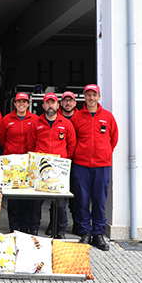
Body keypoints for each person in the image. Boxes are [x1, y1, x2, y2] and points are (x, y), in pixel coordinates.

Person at [71, 84, 119, 251]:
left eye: (94, 95)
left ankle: (98, 234)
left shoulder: (108, 117)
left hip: (102, 166)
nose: (91, 98)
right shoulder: (77, 117)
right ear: (84, 97)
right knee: (82, 200)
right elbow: (72, 139)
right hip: (81, 165)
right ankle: (85, 232)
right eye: (88, 95)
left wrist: (104, 153)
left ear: (99, 97)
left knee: (99, 201)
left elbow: (114, 139)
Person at [32, 92, 76, 239]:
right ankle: (34, 229)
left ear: (58, 105)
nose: (50, 105)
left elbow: (71, 145)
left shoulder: (66, 124)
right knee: (37, 201)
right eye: (47, 103)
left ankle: (60, 230)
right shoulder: (36, 123)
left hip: (60, 169)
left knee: (60, 203)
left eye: (53, 102)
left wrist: (64, 160)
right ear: (43, 105)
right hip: (41, 168)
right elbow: (30, 144)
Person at [0, 92, 37, 233]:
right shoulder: (7, 119)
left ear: (28, 104)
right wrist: (10, 152)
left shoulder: (35, 119)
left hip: (28, 163)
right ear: (14, 103)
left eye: (24, 102)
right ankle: (13, 228)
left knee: (27, 197)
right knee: (13, 198)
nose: (21, 104)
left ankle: (25, 228)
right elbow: (1, 138)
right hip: (11, 163)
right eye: (19, 101)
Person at [57, 90, 80, 235]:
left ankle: (77, 225)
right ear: (61, 103)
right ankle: (57, 225)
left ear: (75, 103)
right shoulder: (55, 117)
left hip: (76, 161)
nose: (68, 103)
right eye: (65, 100)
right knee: (58, 197)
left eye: (70, 100)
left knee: (77, 196)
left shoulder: (80, 117)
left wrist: (69, 157)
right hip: (59, 163)